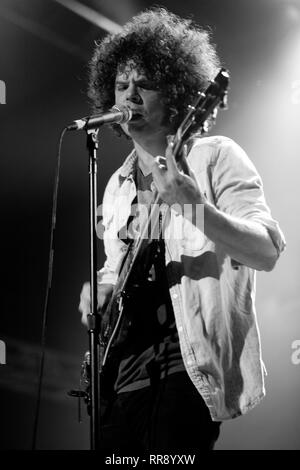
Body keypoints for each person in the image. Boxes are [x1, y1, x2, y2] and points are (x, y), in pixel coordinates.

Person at [79, 7, 285, 453]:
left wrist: (195, 208)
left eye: (144, 84)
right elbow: (116, 268)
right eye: (120, 85)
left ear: (175, 92)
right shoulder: (116, 185)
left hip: (184, 372)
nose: (129, 96)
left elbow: (266, 250)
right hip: (120, 382)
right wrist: (98, 289)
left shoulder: (215, 156)